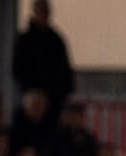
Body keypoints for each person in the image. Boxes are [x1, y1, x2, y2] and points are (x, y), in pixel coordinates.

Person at [12, 0, 75, 129]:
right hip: (32, 96)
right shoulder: (25, 40)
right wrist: (33, 91)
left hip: (54, 99)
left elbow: (64, 70)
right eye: (41, 12)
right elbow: (18, 68)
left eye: (45, 12)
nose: (43, 16)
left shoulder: (55, 40)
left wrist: (62, 91)